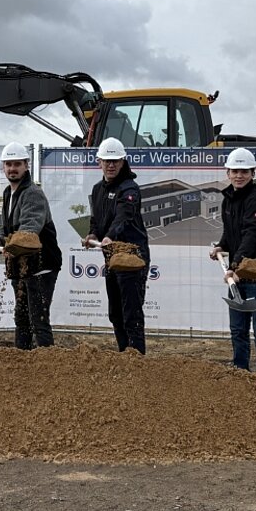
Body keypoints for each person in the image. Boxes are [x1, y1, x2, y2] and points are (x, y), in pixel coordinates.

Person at [0, 141, 61, 349]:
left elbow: (29, 231)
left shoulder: (33, 193)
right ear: (3, 168)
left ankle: (47, 366)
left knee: (39, 320)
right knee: (22, 317)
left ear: (26, 165)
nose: (12, 168)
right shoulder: (9, 193)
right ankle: (22, 363)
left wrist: (9, 245)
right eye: (8, 164)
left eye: (17, 164)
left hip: (41, 265)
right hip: (22, 265)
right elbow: (7, 228)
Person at [209, 147, 256, 378]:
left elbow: (252, 235)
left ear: (253, 173)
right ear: (227, 172)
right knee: (238, 329)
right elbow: (232, 233)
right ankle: (241, 374)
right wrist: (221, 246)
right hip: (238, 278)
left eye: (244, 171)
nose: (239, 176)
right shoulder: (228, 200)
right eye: (235, 171)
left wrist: (234, 267)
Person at [82, 137, 150, 354]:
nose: (111, 165)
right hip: (112, 258)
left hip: (132, 257)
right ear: (99, 161)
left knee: (132, 313)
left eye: (116, 161)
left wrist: (110, 236)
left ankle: (136, 359)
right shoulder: (97, 189)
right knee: (116, 313)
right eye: (107, 160)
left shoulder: (130, 188)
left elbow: (124, 216)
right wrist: (92, 234)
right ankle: (124, 355)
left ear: (123, 162)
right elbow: (96, 220)